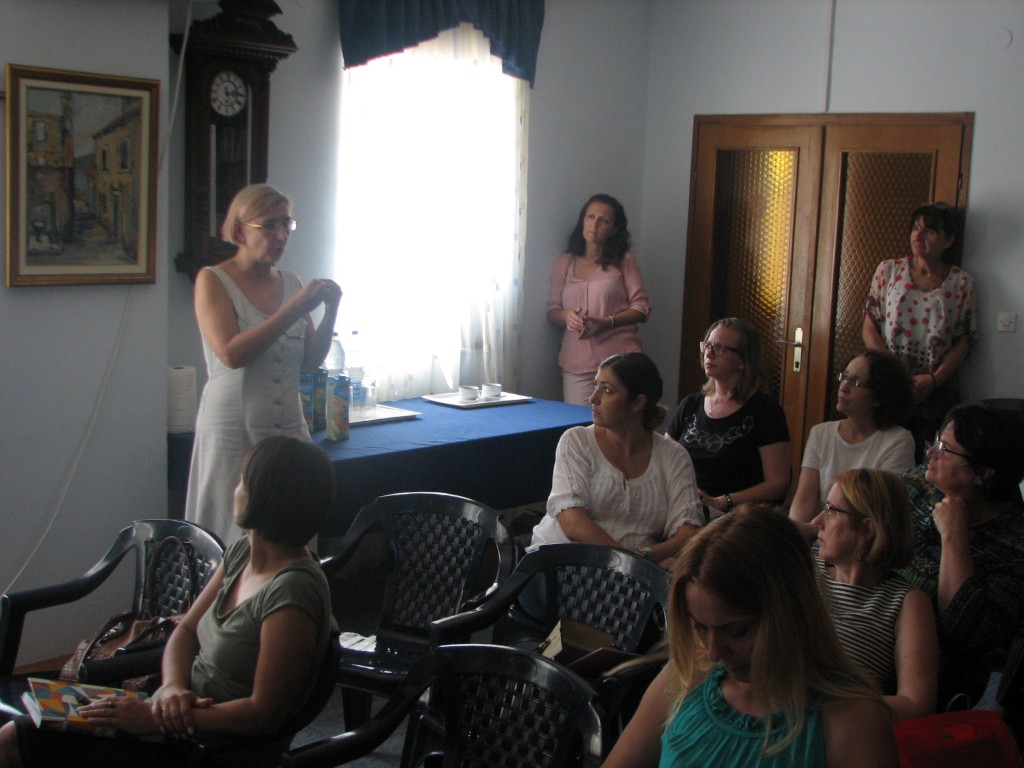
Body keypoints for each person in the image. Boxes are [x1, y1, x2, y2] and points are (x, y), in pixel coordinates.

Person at [0, 435, 335, 768]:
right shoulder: (242, 554)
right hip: (169, 722)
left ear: (262, 500)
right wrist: (173, 688)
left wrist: (154, 720)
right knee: (22, 729)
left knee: (15, 741)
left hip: (209, 747)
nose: (235, 489)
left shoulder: (292, 591)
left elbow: (263, 714)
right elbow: (185, 631)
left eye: (242, 482)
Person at [603, 507, 898, 768]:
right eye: (701, 627)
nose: (714, 652)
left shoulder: (852, 721)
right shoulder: (688, 676)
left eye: (738, 631)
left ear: (791, 612)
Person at [185, 183, 342, 545]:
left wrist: (331, 310)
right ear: (240, 232)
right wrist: (295, 308)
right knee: (232, 533)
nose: (281, 235)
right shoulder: (213, 280)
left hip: (288, 427)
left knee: (291, 529)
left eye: (287, 224)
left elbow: (310, 362)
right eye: (269, 225)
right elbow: (232, 354)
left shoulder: (290, 282)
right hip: (232, 430)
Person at [897, 402, 1024, 705]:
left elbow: (966, 634)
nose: (931, 452)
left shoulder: (1015, 545)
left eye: (944, 448)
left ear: (983, 473)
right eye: (936, 441)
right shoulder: (915, 485)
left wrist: (954, 537)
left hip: (934, 672)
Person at [529, 352, 703, 567]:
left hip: (636, 571)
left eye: (607, 390)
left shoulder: (673, 456)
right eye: (596, 386)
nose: (593, 398)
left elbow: (688, 531)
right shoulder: (577, 441)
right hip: (564, 561)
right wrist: (630, 563)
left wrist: (647, 557)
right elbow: (573, 523)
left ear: (637, 403)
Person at [812, 468, 938, 720]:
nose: (817, 522)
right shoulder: (802, 568)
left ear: (867, 529)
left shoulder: (907, 602)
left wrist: (822, 707)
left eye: (831, 510)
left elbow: (916, 703)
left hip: (840, 727)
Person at [863, 202, 977, 462]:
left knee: (926, 463)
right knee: (883, 458)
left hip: (935, 390)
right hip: (890, 384)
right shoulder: (888, 270)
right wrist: (896, 372)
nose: (918, 235)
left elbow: (964, 341)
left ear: (949, 240)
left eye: (929, 230)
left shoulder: (962, 282)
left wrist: (934, 379)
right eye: (915, 228)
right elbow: (869, 326)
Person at [666, 318, 791, 518]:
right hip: (683, 506)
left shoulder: (764, 410)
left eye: (720, 348)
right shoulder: (691, 404)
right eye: (707, 345)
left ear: (743, 360)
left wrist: (722, 501)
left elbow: (778, 484)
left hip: (735, 517)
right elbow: (664, 459)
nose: (709, 353)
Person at [789, 350, 914, 531]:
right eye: (844, 376)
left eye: (856, 382)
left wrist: (814, 530)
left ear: (878, 398)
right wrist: (794, 533)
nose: (843, 387)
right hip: (819, 532)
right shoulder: (820, 433)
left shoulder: (898, 441)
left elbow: (879, 510)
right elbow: (804, 498)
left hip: (865, 535)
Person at [547, 194, 651, 406]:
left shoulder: (624, 260)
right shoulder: (564, 262)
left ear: (614, 229)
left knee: (619, 422)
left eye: (603, 220)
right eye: (590, 217)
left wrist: (606, 322)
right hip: (577, 363)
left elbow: (642, 309)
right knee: (580, 423)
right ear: (582, 220)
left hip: (621, 361)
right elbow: (552, 311)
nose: (594, 224)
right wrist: (566, 316)